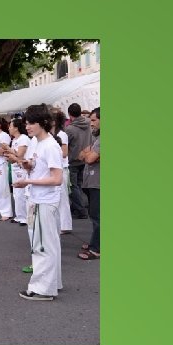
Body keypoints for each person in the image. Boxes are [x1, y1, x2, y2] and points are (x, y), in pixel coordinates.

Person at [15, 104, 64, 300]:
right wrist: (29, 165)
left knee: (42, 246)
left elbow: (57, 178)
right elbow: (41, 168)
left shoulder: (50, 146)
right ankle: (53, 283)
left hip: (44, 201)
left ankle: (43, 289)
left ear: (42, 123)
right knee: (49, 244)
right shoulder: (39, 143)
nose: (27, 126)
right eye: (26, 123)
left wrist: (27, 180)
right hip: (40, 199)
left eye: (31, 123)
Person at [78, 107, 100, 261]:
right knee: (94, 216)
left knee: (97, 216)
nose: (90, 123)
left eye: (93, 120)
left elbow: (89, 158)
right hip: (92, 182)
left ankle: (96, 248)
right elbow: (82, 154)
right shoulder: (97, 138)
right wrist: (89, 153)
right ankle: (95, 241)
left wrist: (90, 154)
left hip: (98, 183)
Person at [2, 117, 31, 227]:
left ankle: (25, 217)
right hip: (14, 167)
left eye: (10, 126)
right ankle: (19, 216)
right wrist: (8, 155)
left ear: (16, 128)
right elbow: (14, 155)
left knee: (22, 193)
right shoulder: (14, 140)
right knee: (16, 193)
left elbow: (20, 155)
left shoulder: (23, 139)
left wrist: (8, 149)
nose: (9, 128)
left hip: (22, 168)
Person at [65, 103, 92, 219]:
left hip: (73, 161)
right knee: (80, 185)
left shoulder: (70, 129)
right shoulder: (89, 125)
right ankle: (79, 207)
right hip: (85, 159)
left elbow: (65, 145)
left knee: (73, 187)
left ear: (70, 114)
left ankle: (81, 210)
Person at [52, 111, 73, 233]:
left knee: (63, 198)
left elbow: (64, 153)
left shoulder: (62, 134)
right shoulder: (52, 134)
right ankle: (59, 224)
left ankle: (65, 225)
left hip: (62, 168)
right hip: (56, 168)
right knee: (56, 198)